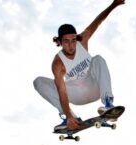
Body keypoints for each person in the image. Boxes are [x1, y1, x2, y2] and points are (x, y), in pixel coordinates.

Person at [33, 0, 125, 130]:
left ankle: (108, 103)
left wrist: (113, 5)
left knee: (98, 59)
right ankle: (70, 117)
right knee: (38, 82)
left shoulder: (82, 40)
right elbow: (61, 91)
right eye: (66, 42)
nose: (71, 46)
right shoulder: (57, 63)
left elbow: (98, 21)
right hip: (75, 94)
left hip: (94, 87)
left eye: (73, 40)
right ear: (59, 42)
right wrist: (68, 115)